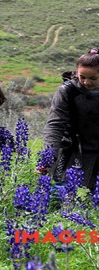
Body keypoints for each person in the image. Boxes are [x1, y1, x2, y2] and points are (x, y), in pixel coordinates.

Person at [43, 48, 99, 191]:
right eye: (82, 77)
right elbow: (55, 125)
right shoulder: (67, 91)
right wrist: (49, 156)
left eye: (93, 78)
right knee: (66, 196)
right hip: (73, 151)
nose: (87, 82)